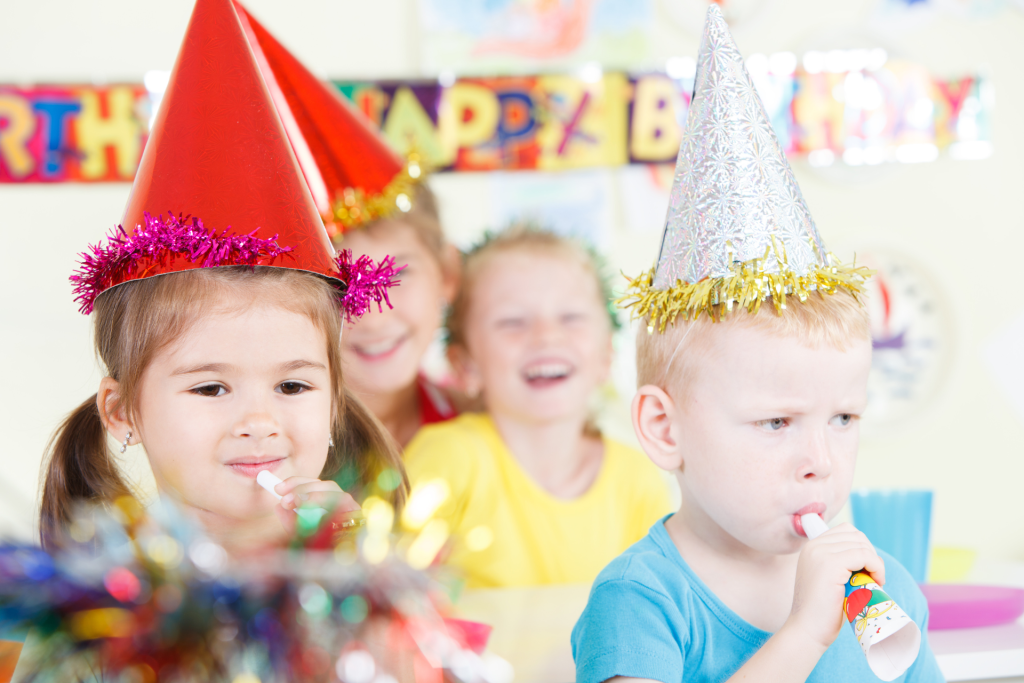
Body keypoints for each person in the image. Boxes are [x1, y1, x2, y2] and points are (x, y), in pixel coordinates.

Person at [571, 8, 942, 683]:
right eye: (777, 421)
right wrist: (803, 634)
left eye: (843, 418)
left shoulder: (895, 595)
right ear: (664, 426)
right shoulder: (639, 602)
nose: (819, 461)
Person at [38, 0, 404, 554]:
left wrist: (356, 574)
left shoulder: (361, 556)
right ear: (121, 410)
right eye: (210, 387)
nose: (259, 422)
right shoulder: (101, 592)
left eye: (293, 385)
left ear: (334, 401)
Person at [235, 4, 462, 449]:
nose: (373, 313)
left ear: (448, 273)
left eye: (396, 273)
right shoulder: (266, 450)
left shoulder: (486, 428)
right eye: (340, 283)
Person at [402, 226, 673, 588]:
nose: (547, 336)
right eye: (512, 321)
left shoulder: (637, 480)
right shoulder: (448, 459)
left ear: (606, 354)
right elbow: (394, 595)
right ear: (465, 366)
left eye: (571, 318)